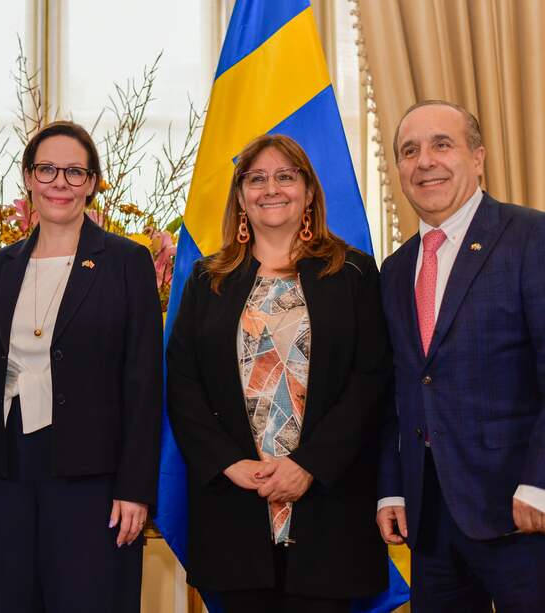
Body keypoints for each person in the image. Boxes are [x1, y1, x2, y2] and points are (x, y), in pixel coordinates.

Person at [166, 134, 390, 613]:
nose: (271, 188)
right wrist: (229, 463)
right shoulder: (208, 279)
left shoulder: (352, 272)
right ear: (240, 195)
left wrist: (309, 465)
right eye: (257, 179)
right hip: (235, 508)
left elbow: (371, 379)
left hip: (328, 508)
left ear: (308, 193)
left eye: (285, 176)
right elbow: (183, 383)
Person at [0, 120, 163, 613]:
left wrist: (135, 489)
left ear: (92, 183)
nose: (59, 183)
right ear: (28, 177)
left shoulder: (126, 262)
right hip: (4, 475)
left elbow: (144, 381)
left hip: (92, 480)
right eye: (46, 169)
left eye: (74, 172)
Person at [377, 100, 545, 612]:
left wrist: (541, 483)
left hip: (522, 511)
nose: (424, 161)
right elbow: (396, 388)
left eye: (441, 144)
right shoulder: (395, 269)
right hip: (430, 520)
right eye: (410, 151)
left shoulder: (531, 237)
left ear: (478, 157)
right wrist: (392, 489)